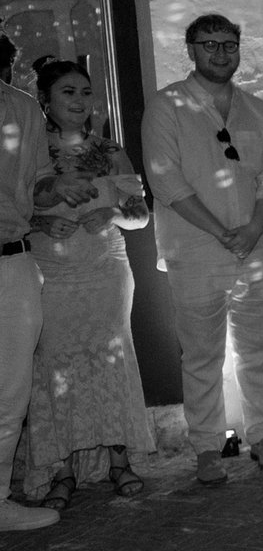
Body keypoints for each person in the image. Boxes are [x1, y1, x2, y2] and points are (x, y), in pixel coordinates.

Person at [144, 14, 263, 485]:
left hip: (255, 248)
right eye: (210, 44)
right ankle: (207, 446)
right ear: (190, 48)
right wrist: (221, 229)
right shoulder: (167, 106)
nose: (221, 53)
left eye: (229, 44)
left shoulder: (256, 109)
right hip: (195, 251)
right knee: (202, 355)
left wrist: (251, 228)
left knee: (258, 349)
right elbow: (165, 179)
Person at [21, 58, 153, 509]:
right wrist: (40, 221)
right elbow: (13, 213)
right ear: (45, 100)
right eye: (67, 93)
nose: (79, 102)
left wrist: (112, 212)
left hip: (105, 272)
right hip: (51, 276)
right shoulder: (30, 152)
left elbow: (140, 214)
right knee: (56, 366)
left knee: (111, 357)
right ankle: (61, 471)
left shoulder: (110, 151)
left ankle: (120, 462)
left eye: (84, 92)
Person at [1, 62, 96, 530]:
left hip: (13, 261)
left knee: (10, 394)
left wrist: (54, 185)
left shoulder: (21, 107)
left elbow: (36, 185)